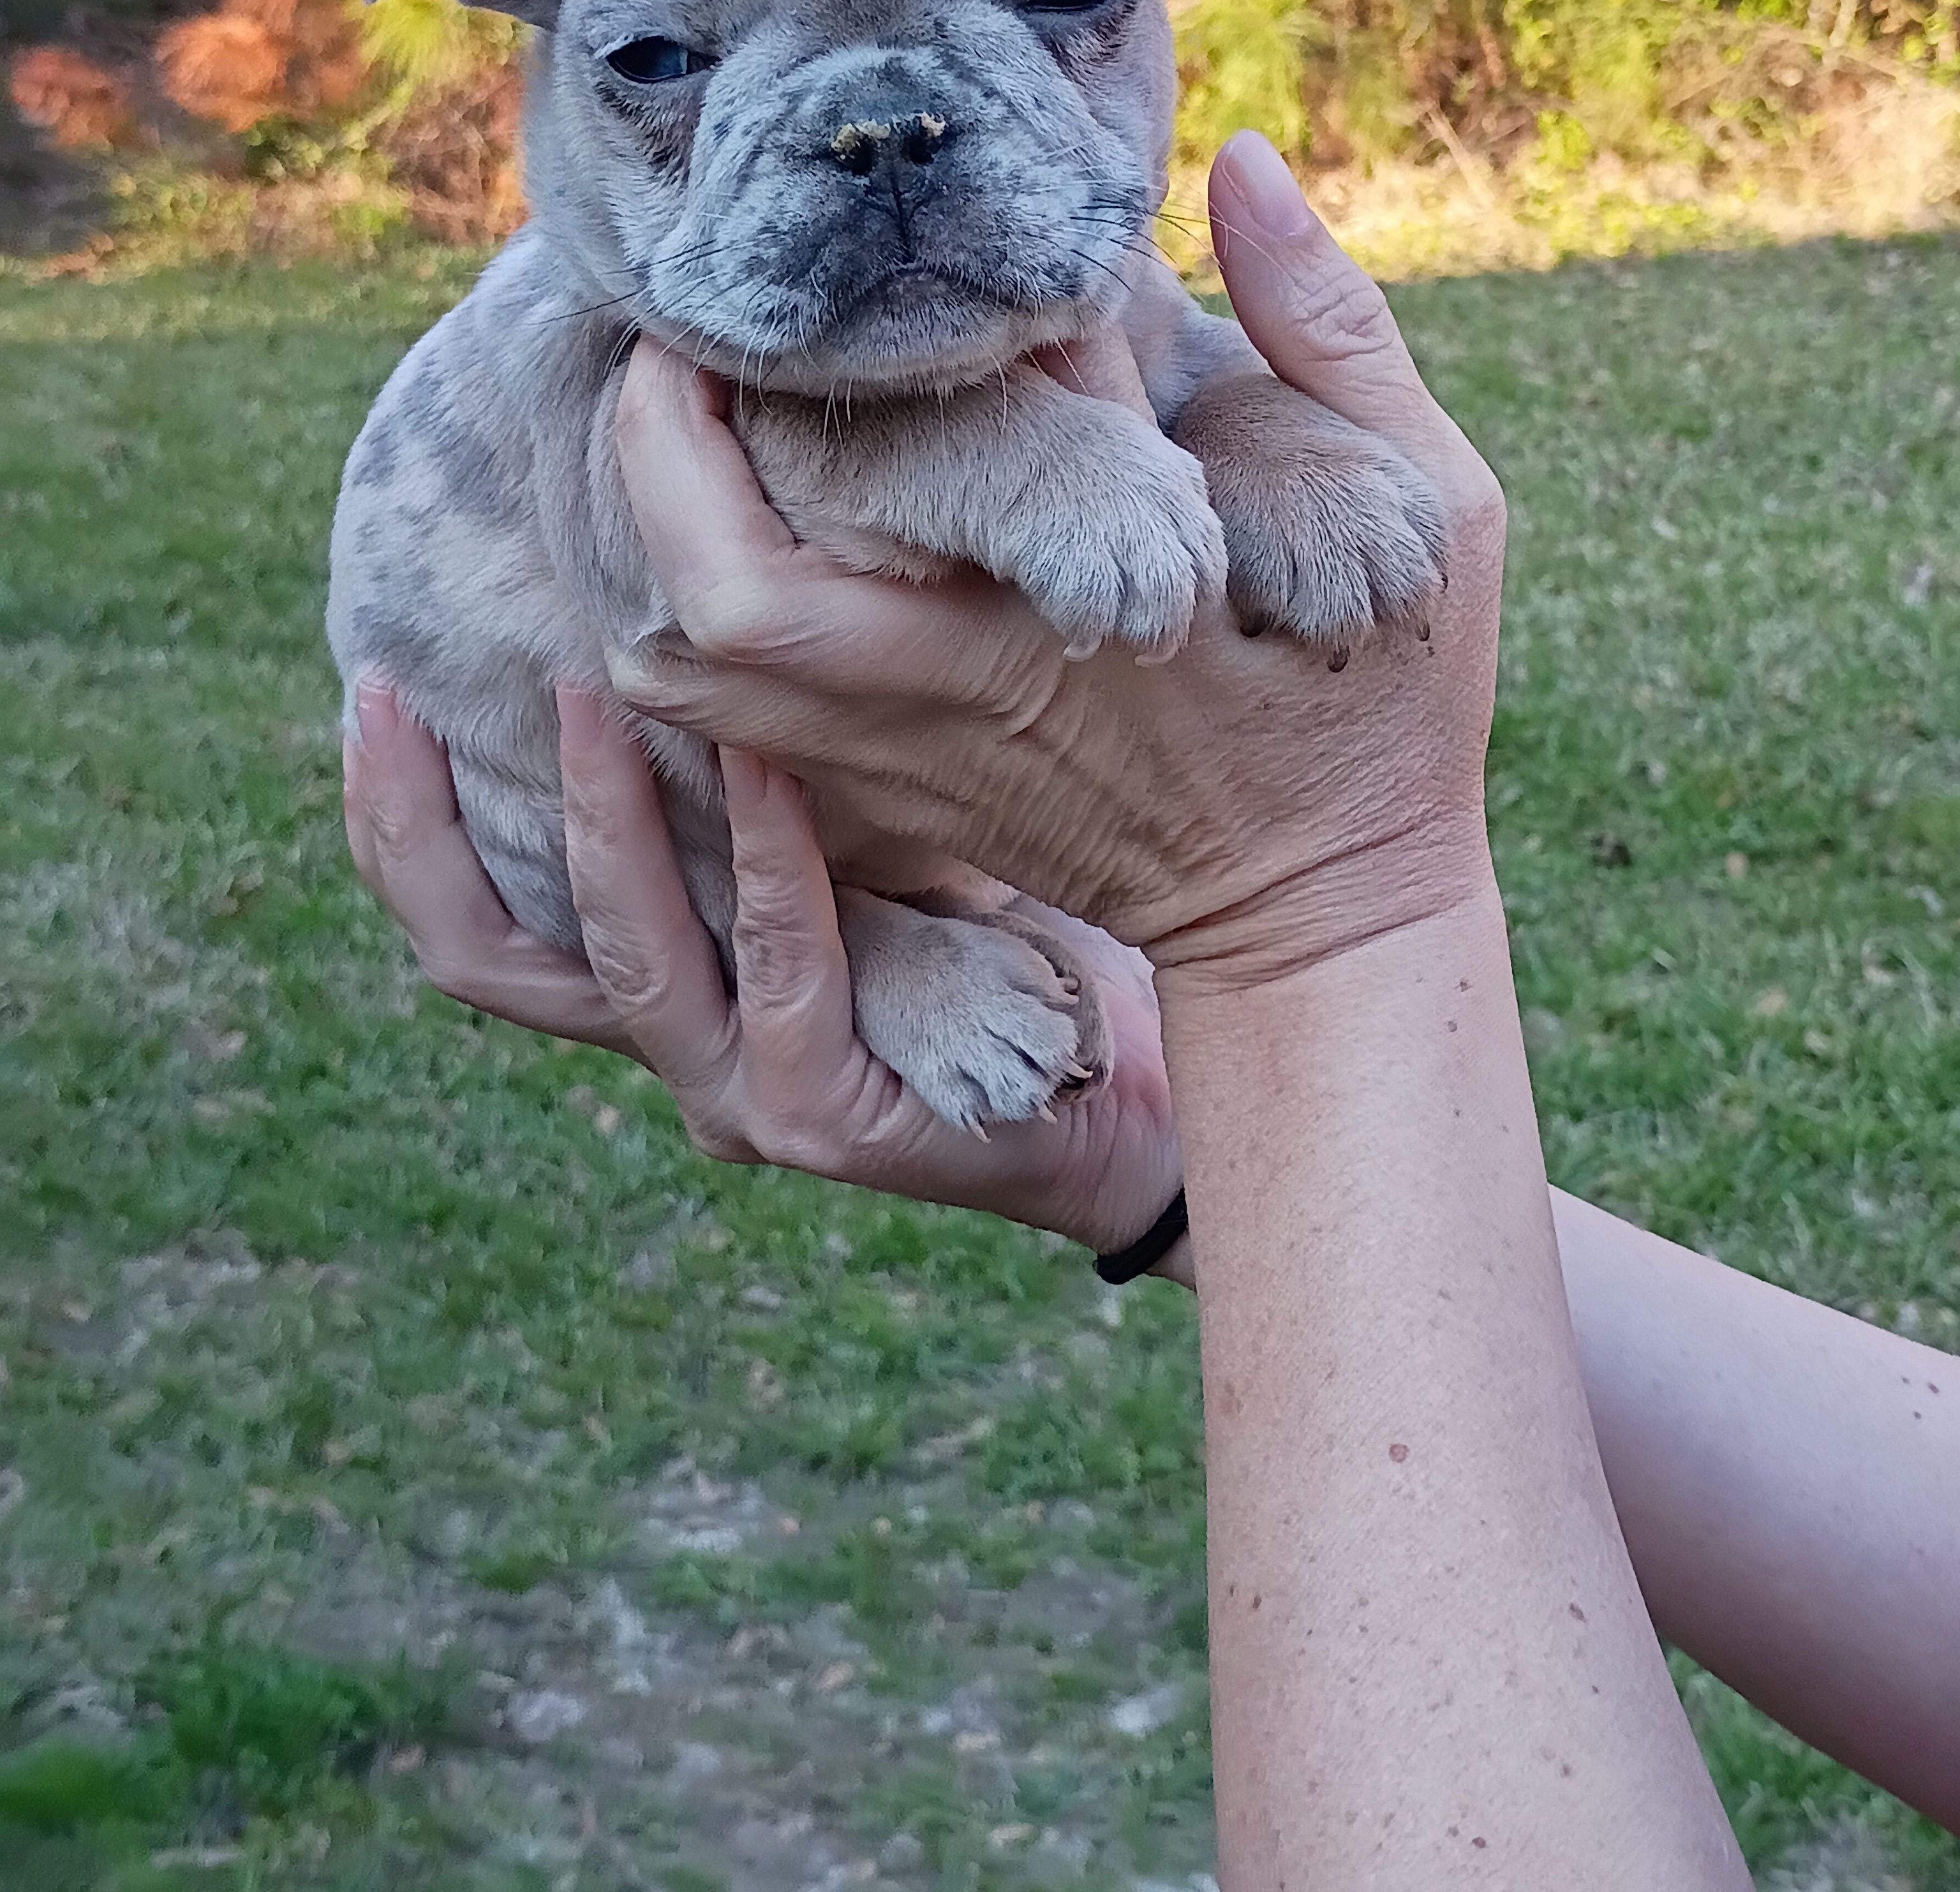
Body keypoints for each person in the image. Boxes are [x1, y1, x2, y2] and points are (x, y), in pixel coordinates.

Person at [345, 133, 1960, 1886]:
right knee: (583, 808)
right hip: (579, 781)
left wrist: (1308, 900)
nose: (880, 135)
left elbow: (1183, 394)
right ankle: (861, 939)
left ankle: (888, 923)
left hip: (898, 832)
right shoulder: (579, 346)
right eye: (668, 61)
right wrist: (1206, 1069)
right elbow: (716, 533)